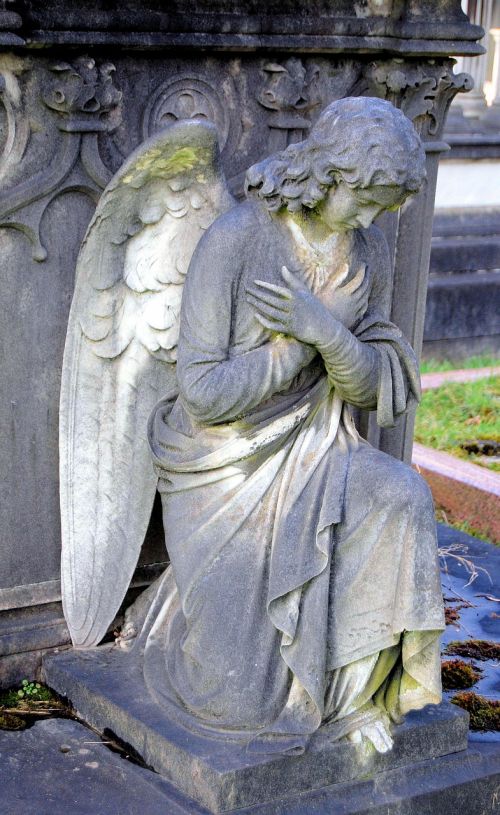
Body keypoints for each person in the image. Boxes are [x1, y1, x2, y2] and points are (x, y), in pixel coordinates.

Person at [140, 97, 445, 754]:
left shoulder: (368, 250)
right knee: (236, 693)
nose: (372, 218)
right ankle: (173, 614)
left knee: (401, 494)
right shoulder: (238, 241)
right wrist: (301, 342)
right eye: (366, 198)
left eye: (383, 206)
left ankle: (360, 697)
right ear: (331, 174)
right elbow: (202, 393)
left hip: (321, 445)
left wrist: (329, 333)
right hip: (223, 462)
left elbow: (372, 379)